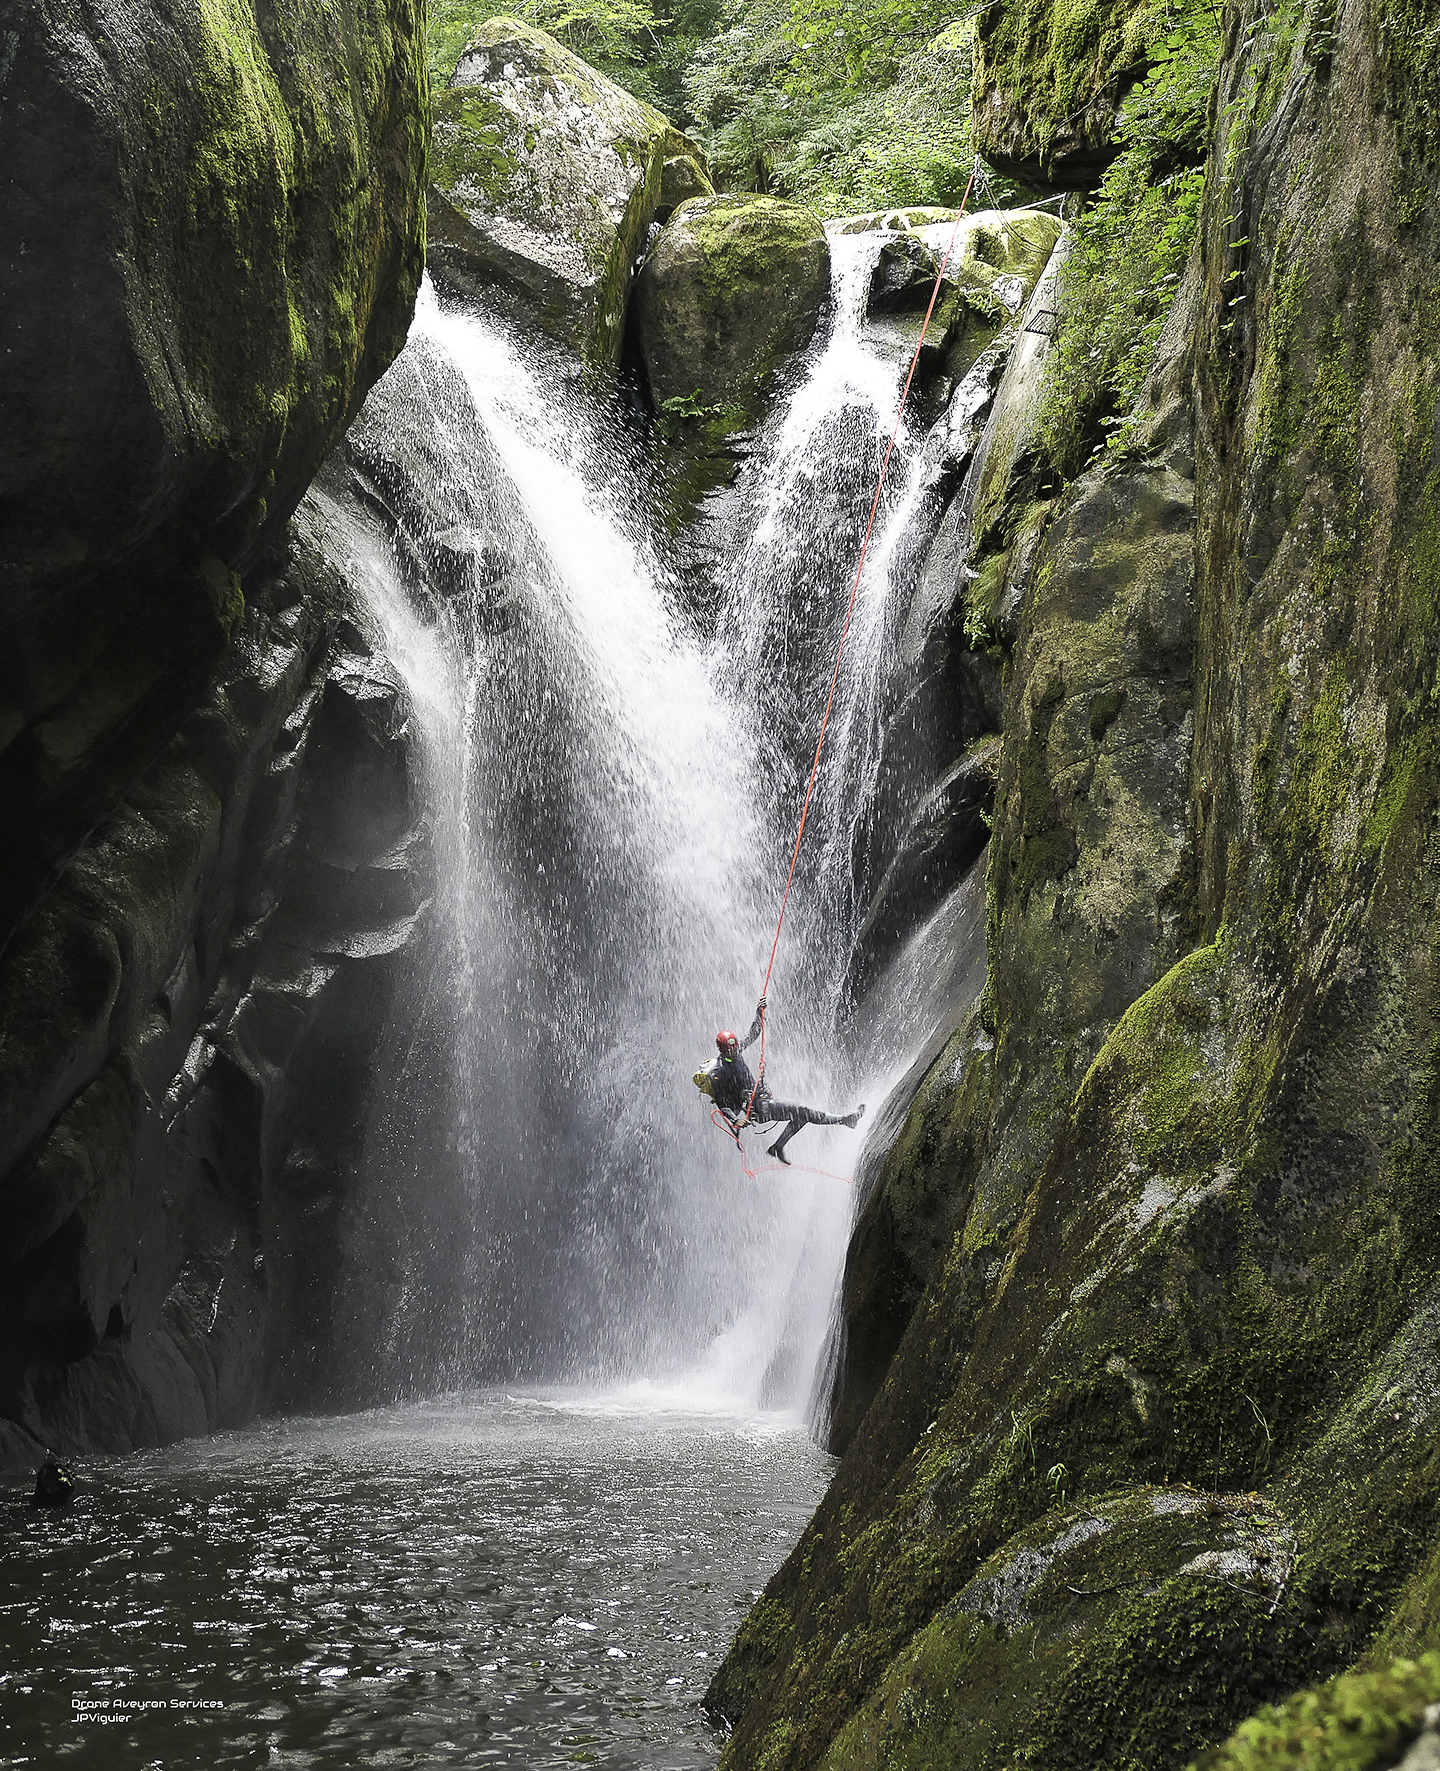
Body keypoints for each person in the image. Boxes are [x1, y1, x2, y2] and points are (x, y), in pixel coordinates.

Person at [694, 996, 865, 1165]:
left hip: (763, 1099)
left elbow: (753, 1033)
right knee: (802, 1110)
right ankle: (844, 1120)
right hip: (758, 1109)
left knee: (802, 1116)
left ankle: (778, 1147)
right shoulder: (720, 1072)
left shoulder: (736, 1052)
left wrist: (758, 1013)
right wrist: (735, 1120)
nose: (734, 1051)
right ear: (722, 1049)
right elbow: (723, 1104)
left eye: (734, 1047)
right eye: (730, 1049)